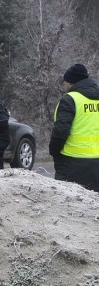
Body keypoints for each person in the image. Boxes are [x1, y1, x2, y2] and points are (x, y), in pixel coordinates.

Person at [49, 63, 99, 192]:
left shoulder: (70, 99)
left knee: (69, 205)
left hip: (71, 162)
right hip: (96, 163)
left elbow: (61, 131)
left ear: (71, 83)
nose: (65, 86)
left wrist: (54, 151)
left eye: (65, 82)